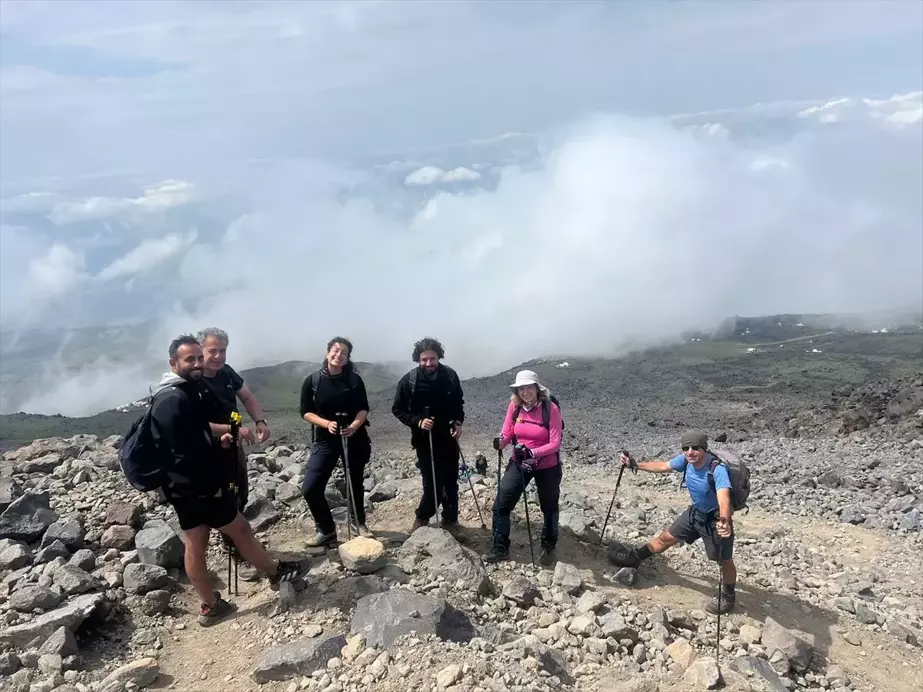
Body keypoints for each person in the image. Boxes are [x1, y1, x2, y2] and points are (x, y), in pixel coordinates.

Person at [150, 335, 307, 626]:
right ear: (174, 363)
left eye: (200, 357)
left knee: (196, 539)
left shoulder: (176, 391)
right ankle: (276, 572)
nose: (199, 363)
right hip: (197, 484)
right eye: (191, 359)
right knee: (240, 528)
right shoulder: (174, 398)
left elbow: (191, 436)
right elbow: (185, 449)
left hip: (180, 486)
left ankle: (211, 605)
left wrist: (221, 438)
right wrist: (214, 466)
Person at [608, 430, 737, 614]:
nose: (690, 452)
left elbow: (724, 499)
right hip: (695, 514)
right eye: (686, 448)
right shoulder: (686, 460)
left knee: (723, 560)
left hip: (715, 519)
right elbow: (663, 466)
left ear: (705, 449)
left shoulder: (717, 469)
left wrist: (724, 522)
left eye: (695, 448)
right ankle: (635, 558)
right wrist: (634, 465)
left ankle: (728, 596)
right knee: (666, 538)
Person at [482, 370, 563, 566]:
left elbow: (555, 443)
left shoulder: (550, 408)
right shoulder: (514, 406)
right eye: (521, 388)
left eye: (529, 387)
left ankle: (549, 545)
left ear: (537, 388)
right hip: (519, 462)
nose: (525, 392)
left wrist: (533, 453)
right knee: (501, 504)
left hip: (547, 465)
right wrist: (502, 441)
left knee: (549, 506)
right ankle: (500, 547)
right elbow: (508, 431)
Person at [300, 337, 373, 547]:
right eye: (335, 350)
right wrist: (326, 423)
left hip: (354, 436)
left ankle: (359, 523)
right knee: (311, 488)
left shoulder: (354, 380)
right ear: (327, 352)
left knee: (355, 482)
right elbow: (305, 412)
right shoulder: (313, 381)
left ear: (348, 357)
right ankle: (326, 529)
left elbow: (363, 408)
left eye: (344, 353)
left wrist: (354, 426)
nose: (338, 355)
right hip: (325, 439)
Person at [391, 336, 465, 535]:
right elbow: (398, 409)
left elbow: (459, 404)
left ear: (438, 357)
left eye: (432, 359)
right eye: (424, 360)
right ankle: (422, 517)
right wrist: (418, 421)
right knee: (431, 483)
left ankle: (450, 521)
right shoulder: (409, 381)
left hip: (448, 438)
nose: (428, 363)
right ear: (418, 359)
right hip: (424, 440)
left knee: (450, 482)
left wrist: (458, 423)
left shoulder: (450, 376)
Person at [197, 326, 271, 512]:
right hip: (207, 448)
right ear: (200, 350)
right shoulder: (193, 381)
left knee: (238, 487)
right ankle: (231, 533)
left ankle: (237, 526)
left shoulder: (227, 372)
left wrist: (260, 421)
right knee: (220, 493)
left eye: (222, 351)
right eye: (212, 351)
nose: (218, 356)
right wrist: (231, 429)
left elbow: (247, 397)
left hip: (233, 443)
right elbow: (195, 423)